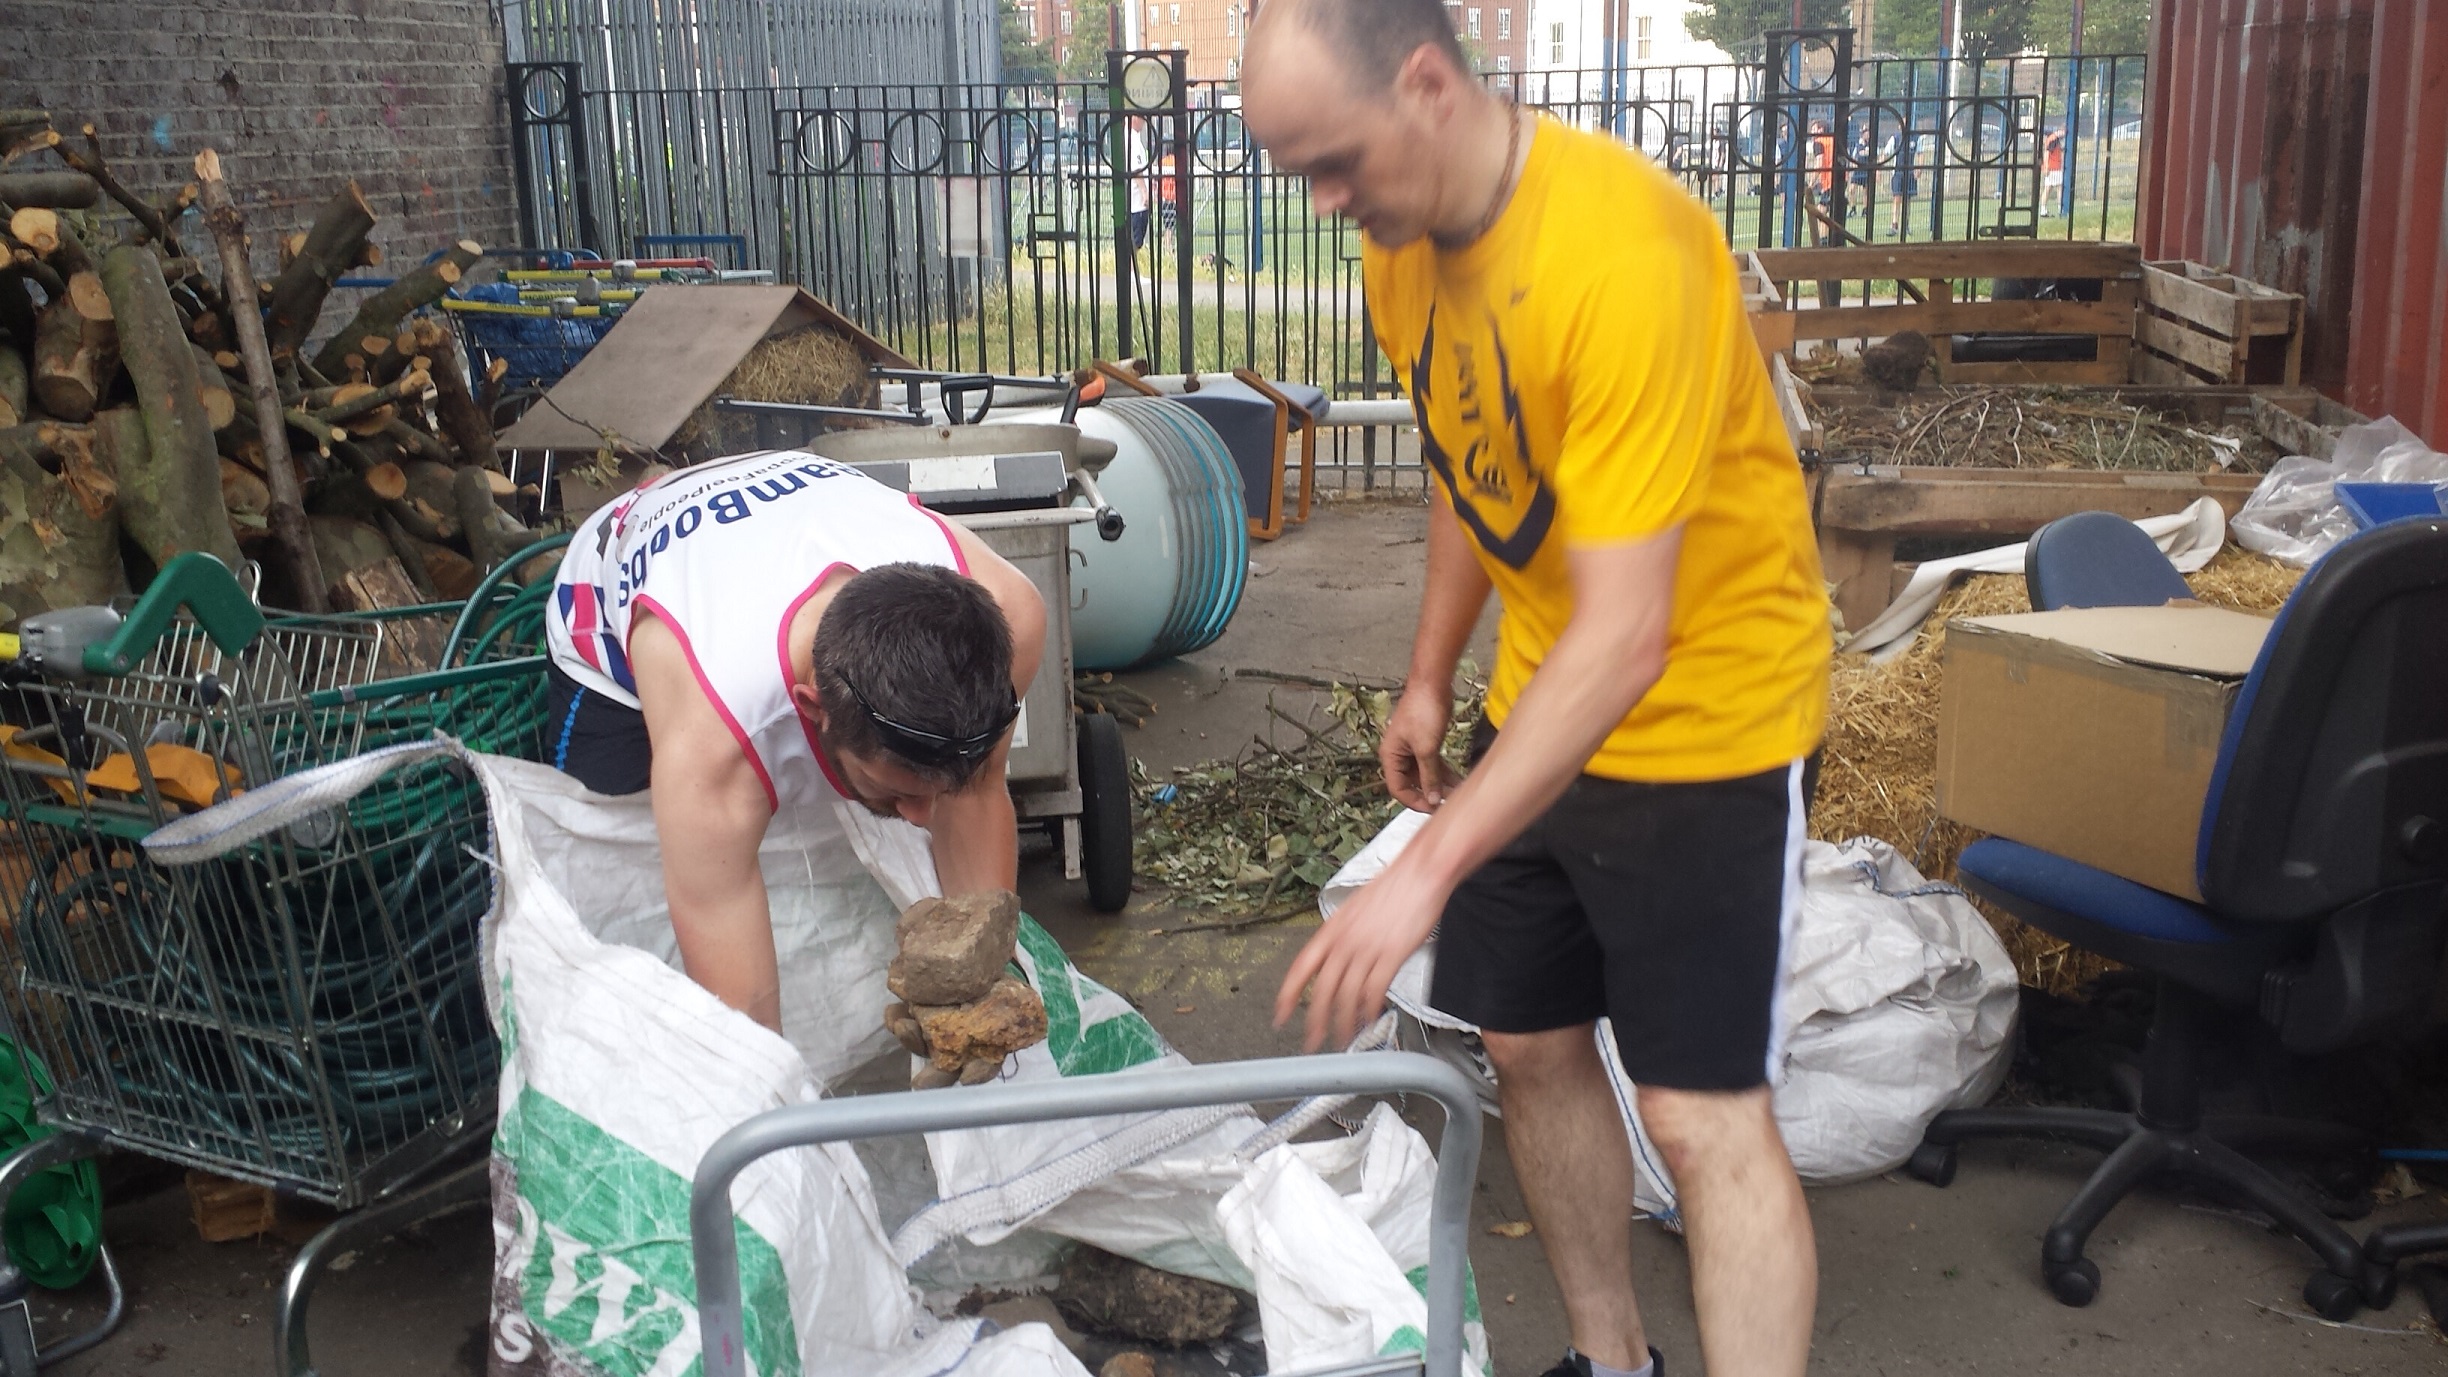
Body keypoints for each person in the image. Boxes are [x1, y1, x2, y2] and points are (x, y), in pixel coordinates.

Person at [1240, 3, 1830, 1376]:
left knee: (1699, 1117)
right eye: (1301, 176)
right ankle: (1610, 1360)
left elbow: (1629, 638)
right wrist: (1431, 672)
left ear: (1430, 84)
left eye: (1335, 163)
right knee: (1529, 1044)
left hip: (1708, 721)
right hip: (1538, 702)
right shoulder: (1409, 247)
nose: (1329, 204)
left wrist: (1423, 869)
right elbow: (1470, 460)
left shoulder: (1625, 251)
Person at [542, 451, 1046, 1030]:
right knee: (613, 847)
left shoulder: (1011, 617)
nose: (921, 817)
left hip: (783, 491)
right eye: (900, 793)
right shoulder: (712, 738)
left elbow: (976, 792)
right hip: (616, 593)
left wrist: (979, 991)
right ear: (813, 709)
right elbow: (743, 1007)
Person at [2042, 127, 2066, 218]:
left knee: (2048, 189)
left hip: (2053, 167)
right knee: (2059, 188)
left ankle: (2043, 210)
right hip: (2054, 168)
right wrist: (2046, 167)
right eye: (2063, 132)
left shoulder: (2053, 138)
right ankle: (2060, 209)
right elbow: (2047, 153)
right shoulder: (2054, 139)